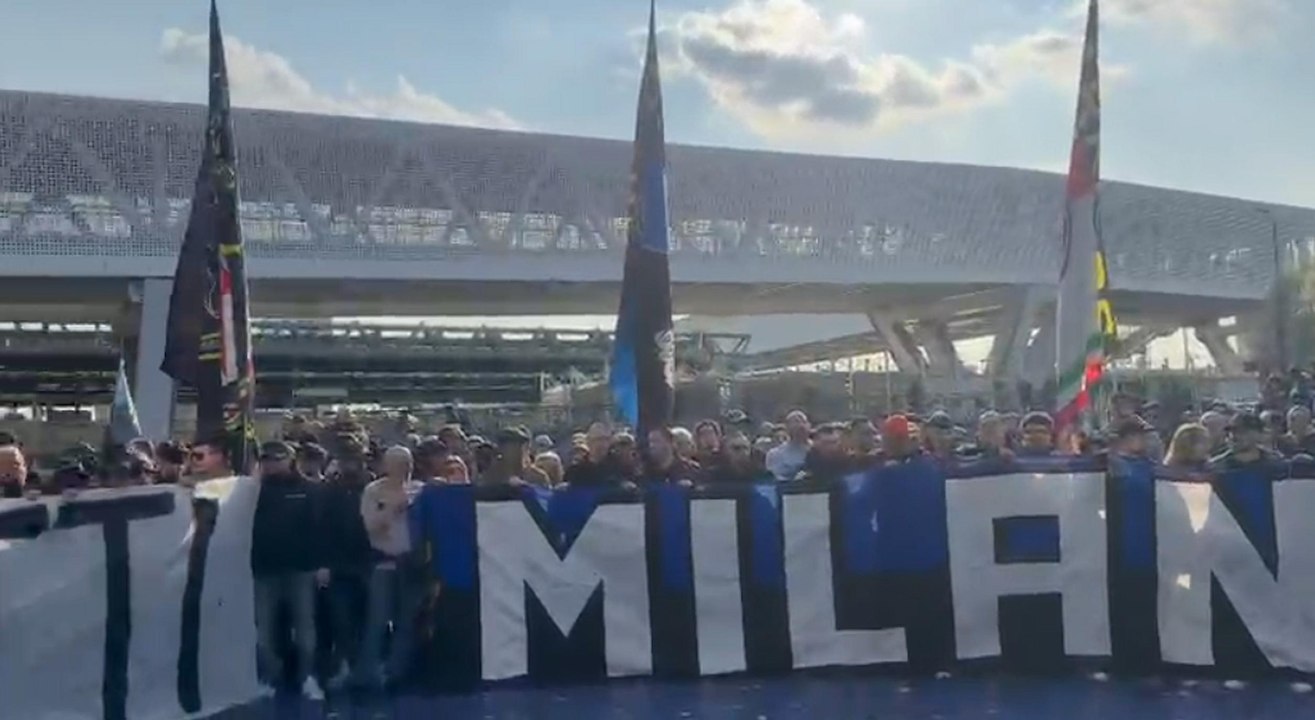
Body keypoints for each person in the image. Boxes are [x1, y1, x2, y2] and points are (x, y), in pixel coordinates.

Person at [249, 441, 327, 701]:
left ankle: (308, 677)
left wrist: (321, 564)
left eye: (276, 459)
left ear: (289, 460)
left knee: (305, 628)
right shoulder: (253, 491)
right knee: (263, 630)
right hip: (264, 569)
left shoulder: (310, 490)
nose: (270, 464)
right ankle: (270, 677)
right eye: (266, 460)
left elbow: (319, 531)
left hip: (300, 569)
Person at [358, 446, 424, 688]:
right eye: (397, 464)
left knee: (407, 621)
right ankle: (368, 673)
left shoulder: (420, 490)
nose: (403, 469)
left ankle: (396, 673)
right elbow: (371, 528)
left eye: (407, 463)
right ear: (387, 466)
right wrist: (394, 507)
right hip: (383, 562)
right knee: (377, 619)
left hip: (412, 564)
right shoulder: (373, 492)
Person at [765, 410, 811, 482]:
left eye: (804, 422)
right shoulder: (775, 454)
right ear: (787, 428)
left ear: (809, 426)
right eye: (796, 422)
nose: (800, 425)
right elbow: (774, 478)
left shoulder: (819, 450)